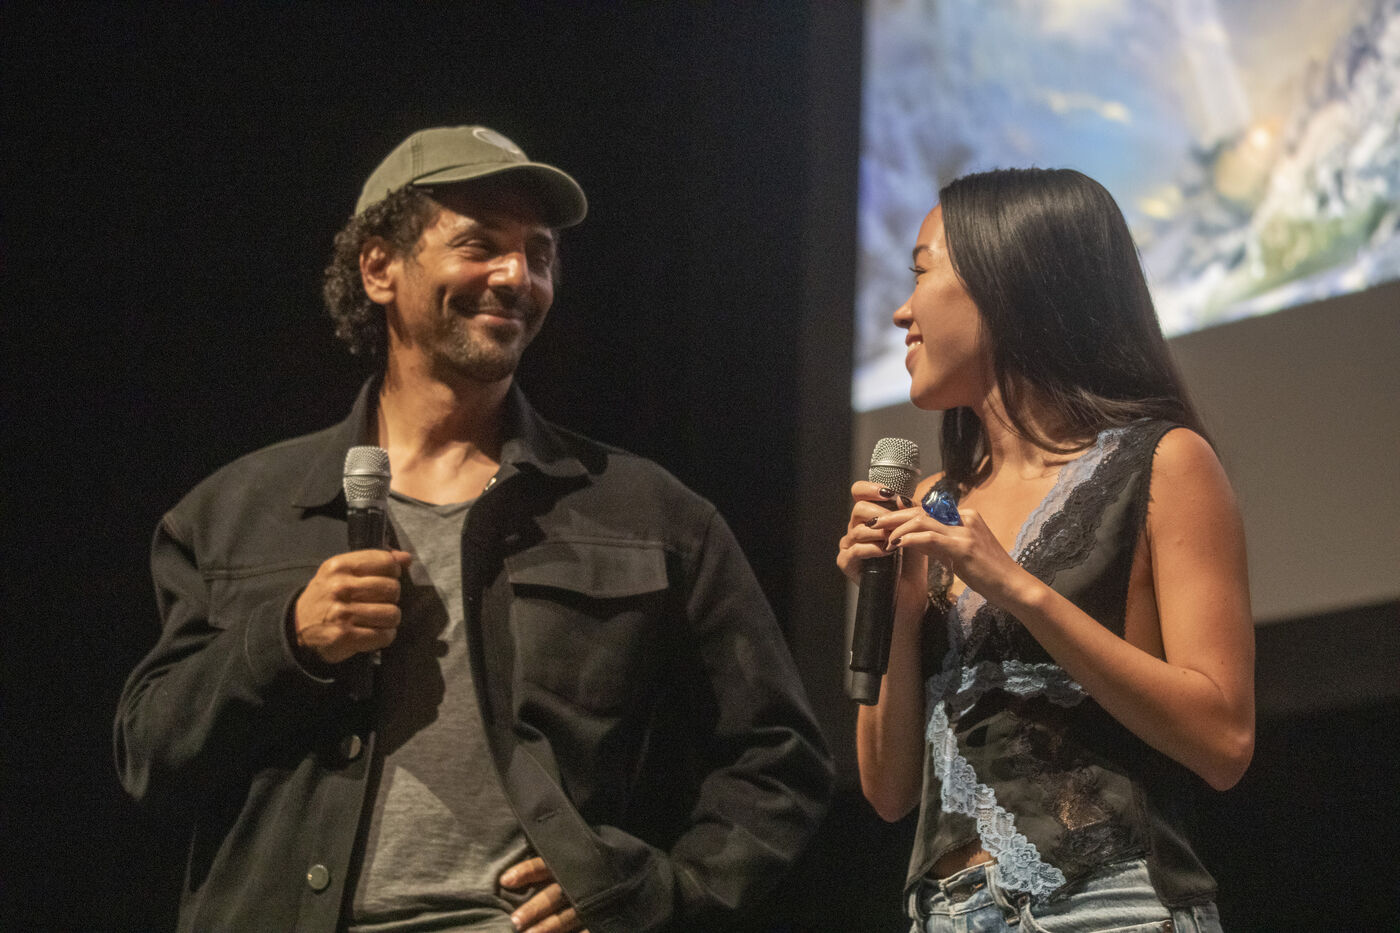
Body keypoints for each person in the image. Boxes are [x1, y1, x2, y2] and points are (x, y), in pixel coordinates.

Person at [115, 125, 832, 933]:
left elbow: (780, 759)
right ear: (379, 268)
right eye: (480, 244)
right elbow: (149, 756)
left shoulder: (645, 514)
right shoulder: (234, 514)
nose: (517, 275)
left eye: (539, 253)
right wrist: (288, 641)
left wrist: (659, 890)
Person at [838, 168, 1254, 933]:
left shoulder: (1164, 463)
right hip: (946, 913)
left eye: (923, 272)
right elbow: (889, 791)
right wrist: (897, 608)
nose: (902, 311)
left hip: (1108, 908)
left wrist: (1018, 588)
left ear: (1007, 282)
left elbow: (1224, 739)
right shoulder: (930, 501)